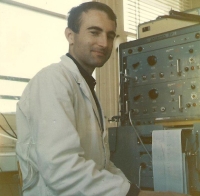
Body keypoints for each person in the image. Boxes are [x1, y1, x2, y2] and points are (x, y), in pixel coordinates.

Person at [16, 2, 139, 196]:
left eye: (110, 35)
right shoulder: (52, 80)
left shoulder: (84, 85)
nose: (104, 43)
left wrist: (134, 190)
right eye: (94, 32)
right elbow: (62, 170)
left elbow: (102, 164)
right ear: (70, 35)